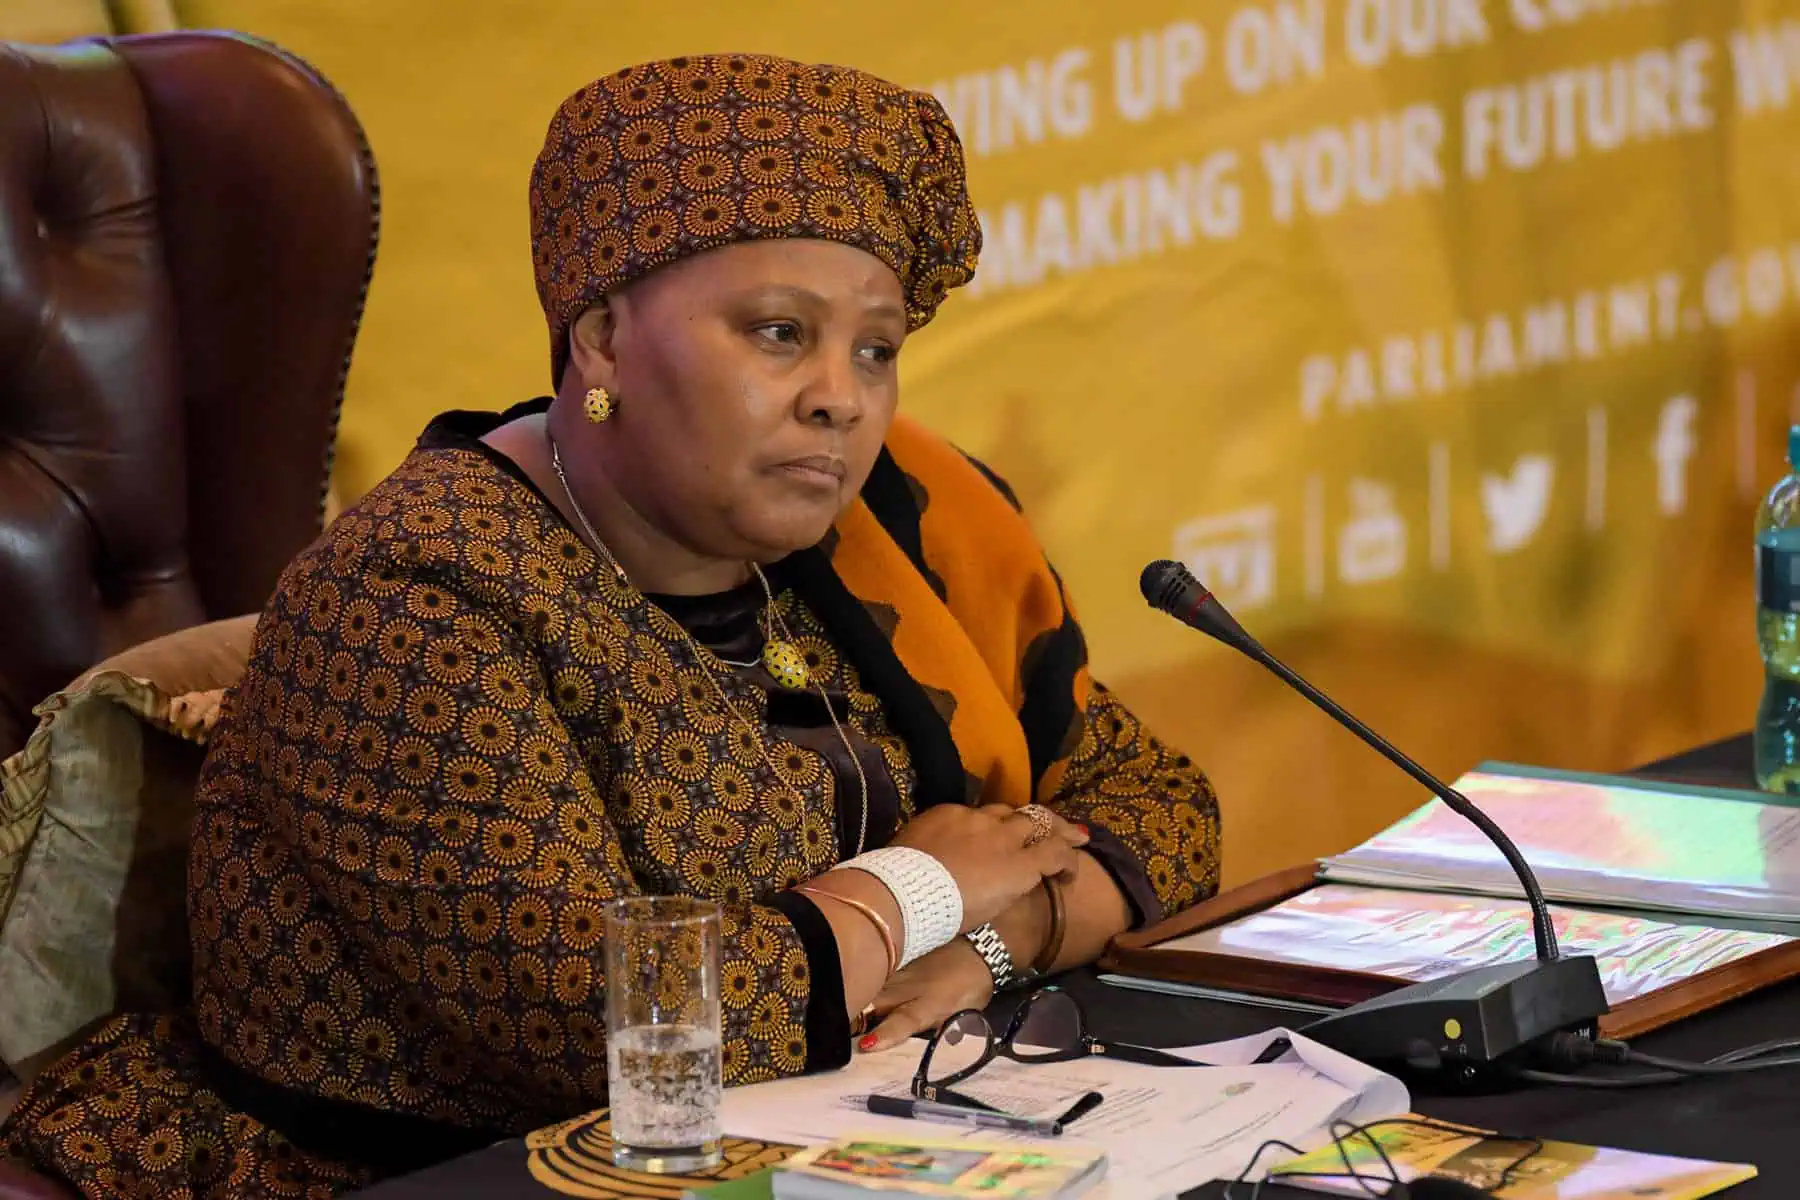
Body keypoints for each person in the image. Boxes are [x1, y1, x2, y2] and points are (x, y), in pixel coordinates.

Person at [0, 51, 1220, 1198]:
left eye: (877, 350)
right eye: (780, 333)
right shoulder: (413, 598)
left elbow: (1165, 807)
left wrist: (991, 943)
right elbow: (620, 1024)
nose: (841, 399)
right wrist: (929, 880)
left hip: (826, 1136)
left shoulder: (888, 527)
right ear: (602, 339)